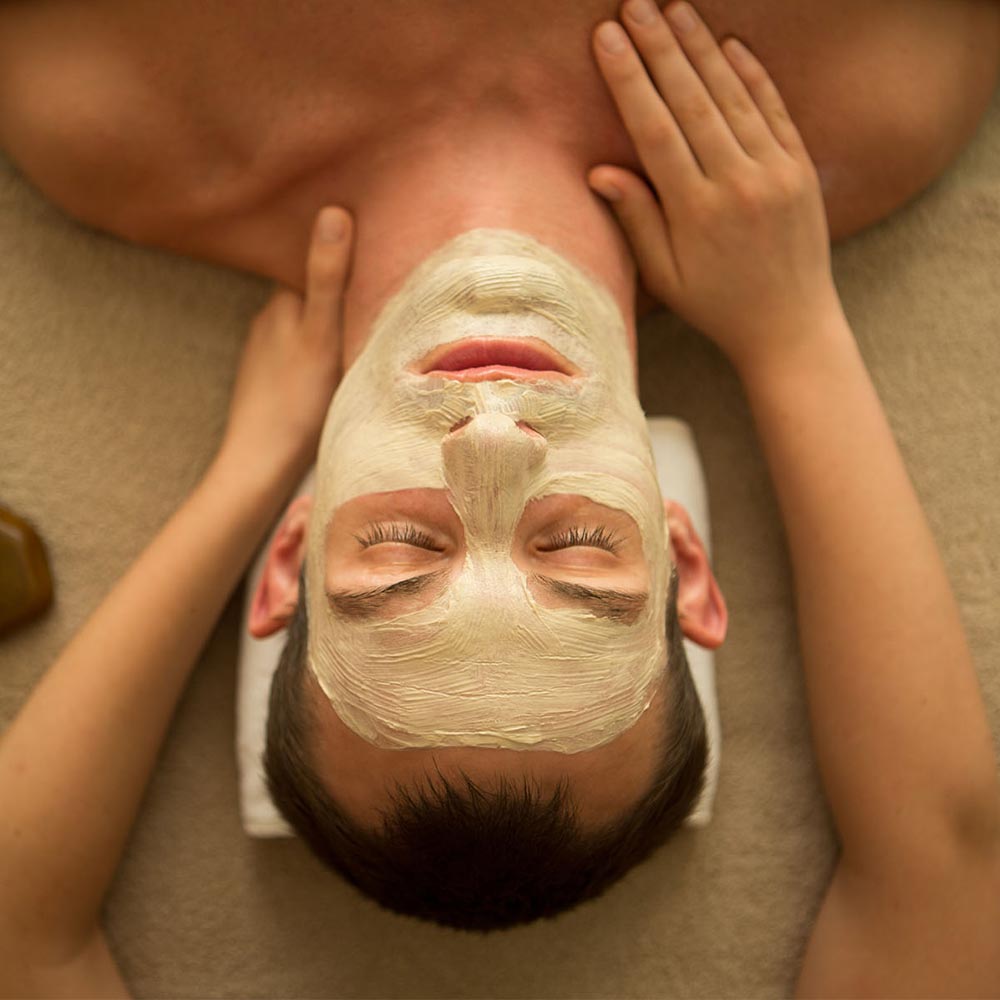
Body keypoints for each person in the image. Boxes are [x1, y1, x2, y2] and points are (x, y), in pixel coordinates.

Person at [1, 1, 999, 995]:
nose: (489, 438)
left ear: (289, 547)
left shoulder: (99, 101)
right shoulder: (885, 81)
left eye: (400, 548)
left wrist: (242, 475)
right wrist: (795, 341)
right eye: (572, 548)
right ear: (681, 557)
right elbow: (944, 858)